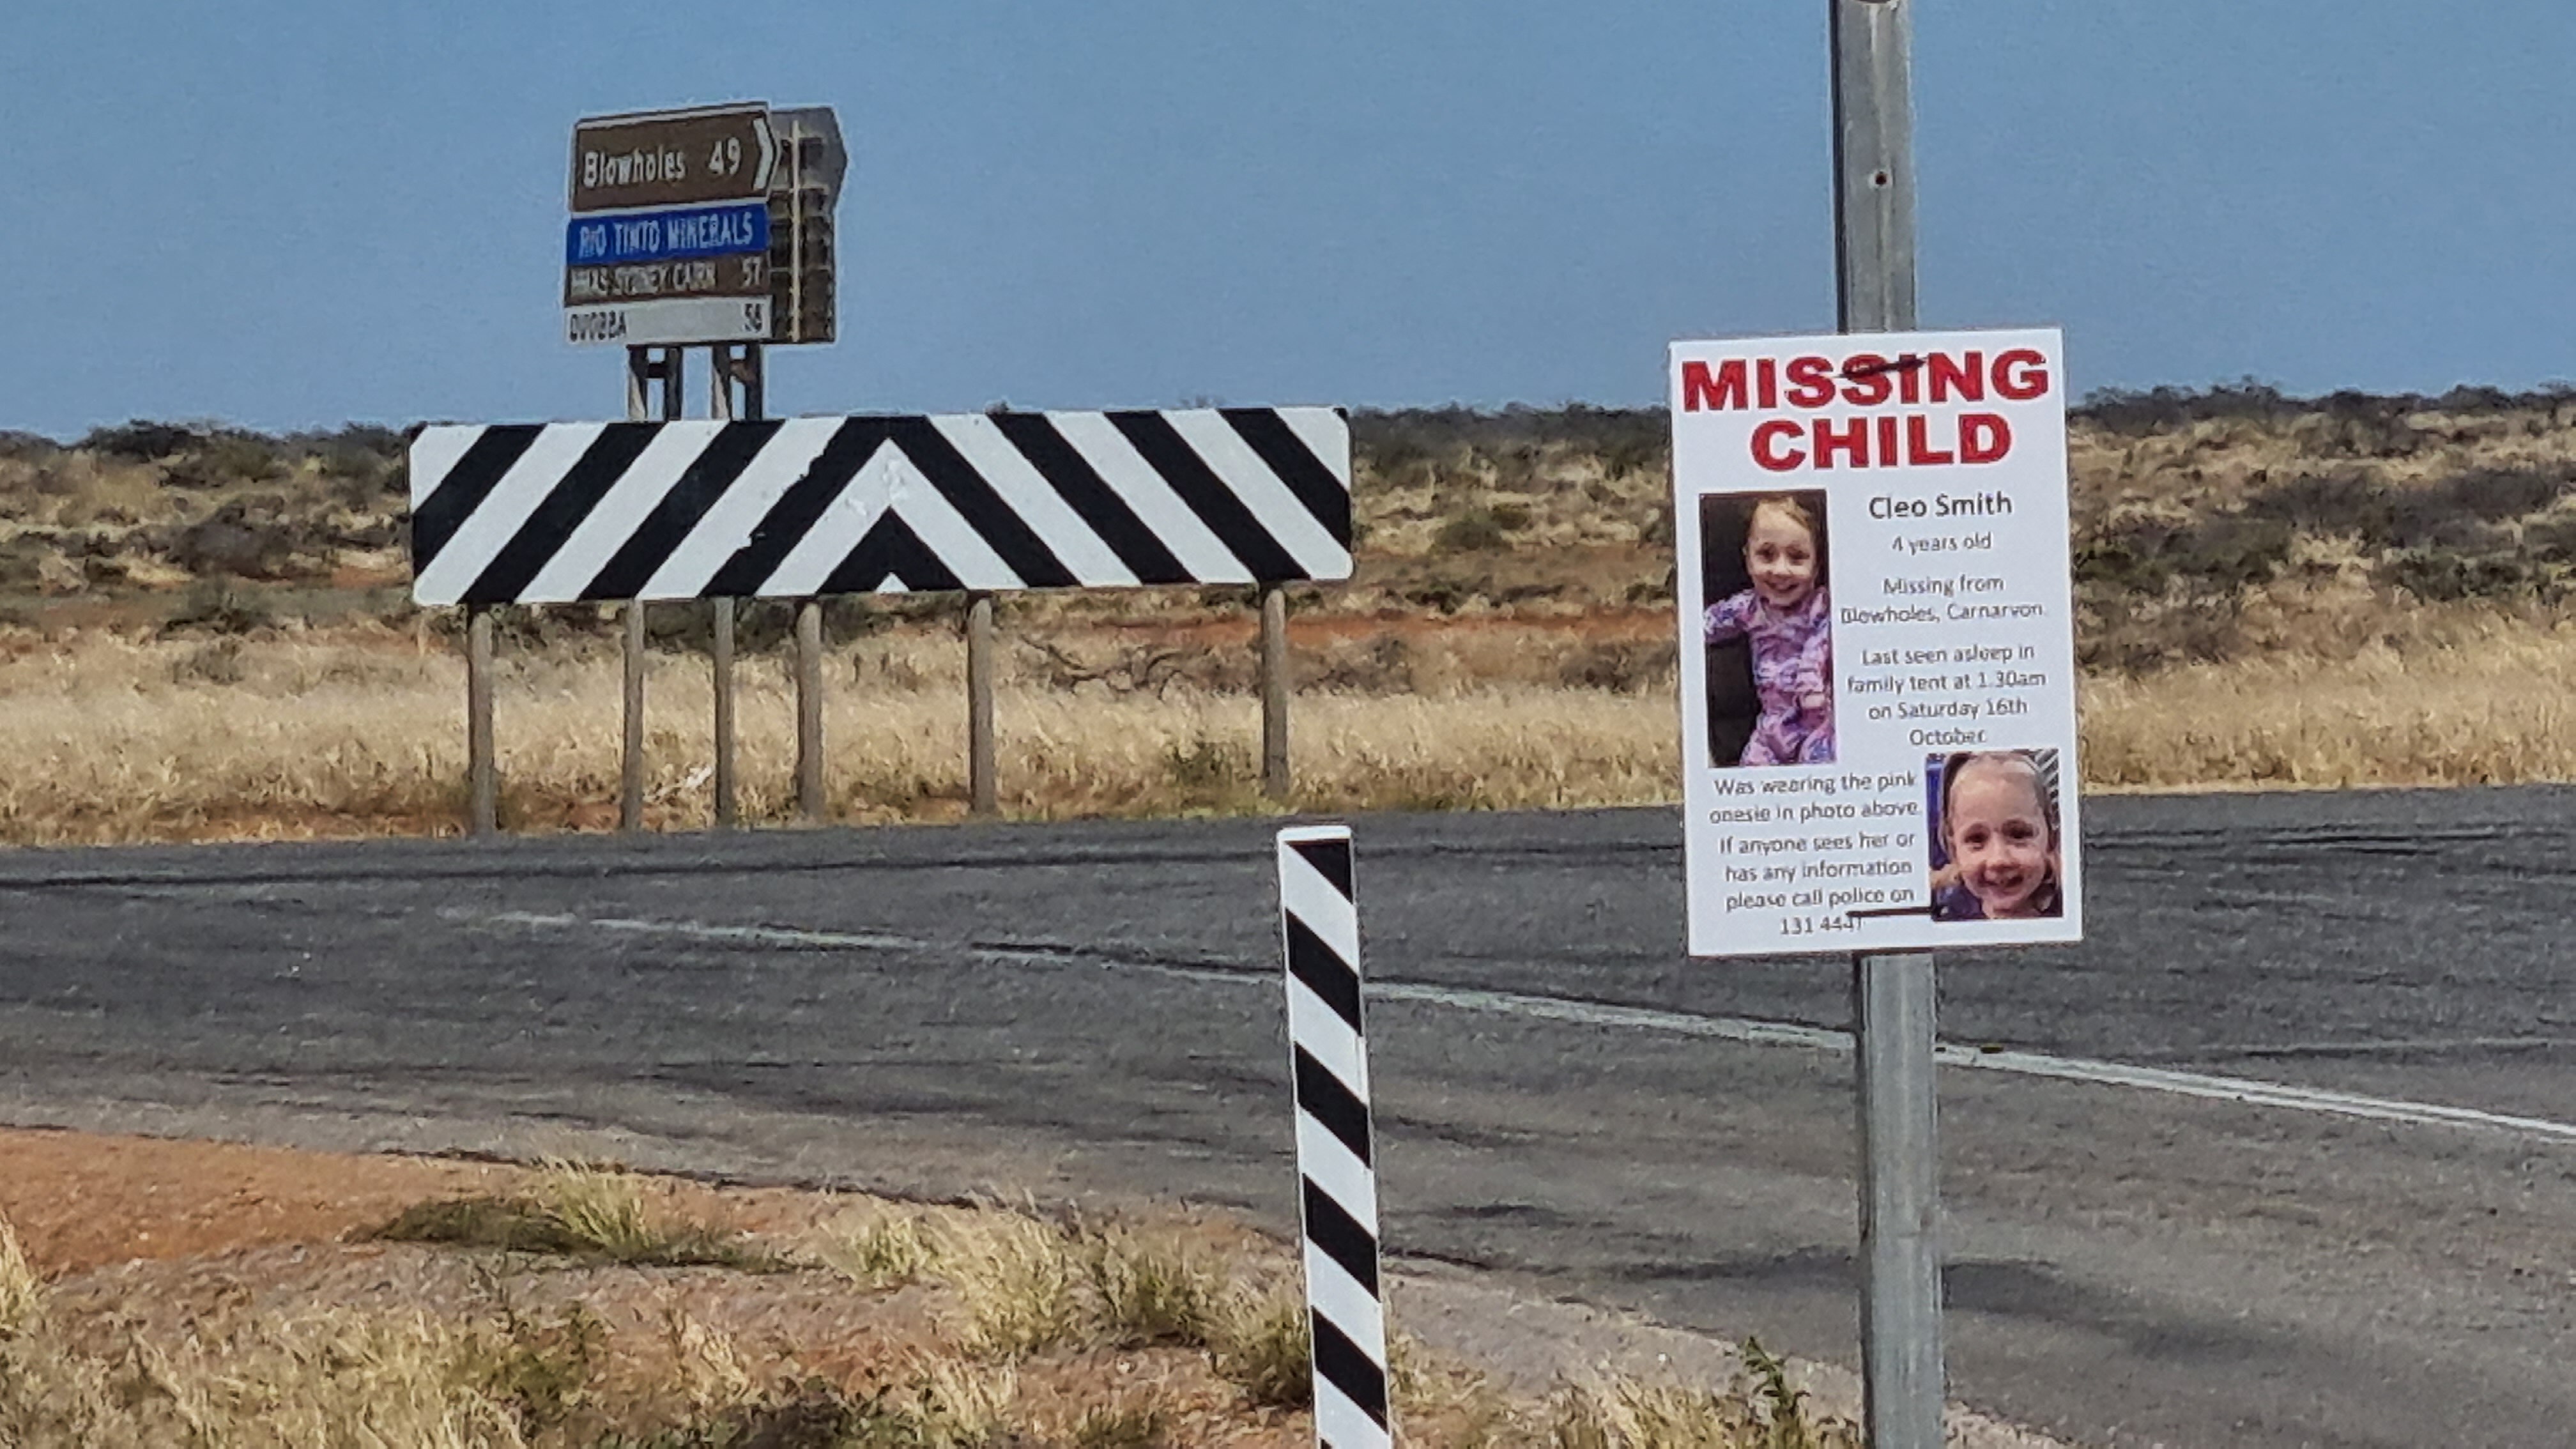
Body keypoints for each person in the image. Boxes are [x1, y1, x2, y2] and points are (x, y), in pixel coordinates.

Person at [1702, 494, 1833, 765]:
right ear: (1748, 559)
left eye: (1797, 558)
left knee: (1819, 768)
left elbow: (1824, 638)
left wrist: (1811, 677)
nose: (1780, 570)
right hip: (1771, 729)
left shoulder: (1822, 605)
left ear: (1817, 565)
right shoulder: (1748, 607)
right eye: (1766, 555)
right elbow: (1699, 628)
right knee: (1752, 773)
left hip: (1819, 725)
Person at [1932, 750, 2064, 921]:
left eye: (2019, 835)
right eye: (1976, 839)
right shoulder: (1949, 914)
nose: (1999, 859)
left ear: (2050, 839)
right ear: (1954, 847)